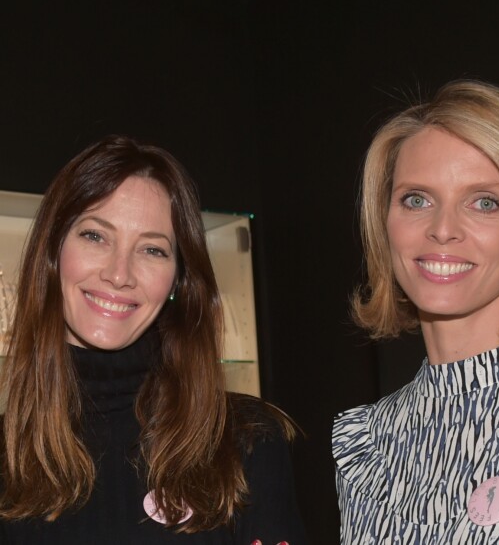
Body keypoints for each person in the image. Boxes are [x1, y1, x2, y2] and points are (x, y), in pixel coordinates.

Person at [0, 135, 307, 545]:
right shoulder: (8, 458)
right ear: (52, 253)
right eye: (95, 236)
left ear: (178, 280)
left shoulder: (246, 441)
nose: (119, 272)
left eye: (152, 250)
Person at [333, 80, 499, 542]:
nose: (443, 229)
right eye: (417, 200)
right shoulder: (365, 445)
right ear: (385, 222)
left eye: (484, 202)